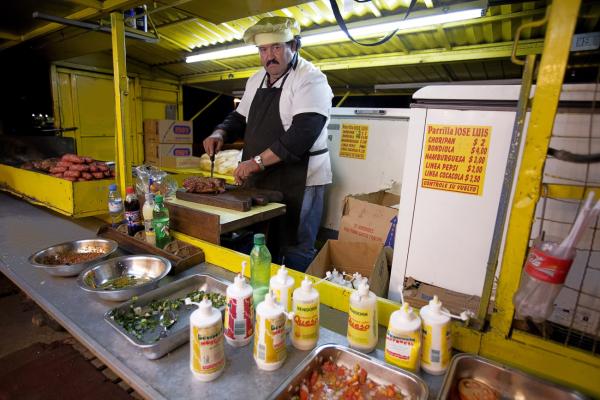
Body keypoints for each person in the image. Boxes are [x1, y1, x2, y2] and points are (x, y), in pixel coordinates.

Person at [203, 16, 333, 272]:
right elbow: (239, 117)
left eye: (276, 47)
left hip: (302, 177)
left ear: (294, 45)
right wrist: (220, 132)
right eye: (263, 49)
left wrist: (257, 161)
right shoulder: (256, 79)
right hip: (263, 176)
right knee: (263, 239)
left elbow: (302, 133)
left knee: (295, 244)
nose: (269, 56)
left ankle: (298, 297)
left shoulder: (311, 79)